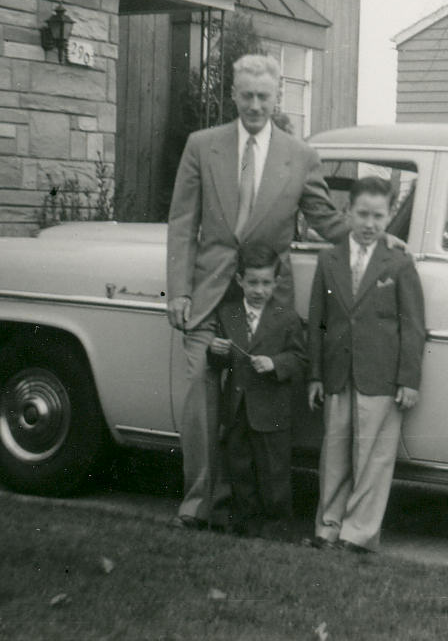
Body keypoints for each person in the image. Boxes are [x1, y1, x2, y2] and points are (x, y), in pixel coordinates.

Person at [166, 53, 347, 529]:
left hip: (267, 300)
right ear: (233, 95)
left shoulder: (300, 155)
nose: (254, 105)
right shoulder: (202, 146)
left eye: (263, 97)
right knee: (200, 401)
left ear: (277, 98)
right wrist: (179, 291)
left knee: (262, 403)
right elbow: (183, 223)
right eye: (245, 95)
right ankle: (200, 504)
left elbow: (325, 218)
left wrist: (373, 236)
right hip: (208, 295)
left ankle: (260, 511)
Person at [306, 175, 426, 554]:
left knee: (373, 459)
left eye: (378, 216)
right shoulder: (329, 259)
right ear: (347, 213)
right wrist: (315, 375)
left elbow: (413, 325)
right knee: (335, 454)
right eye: (362, 214)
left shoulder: (399, 262)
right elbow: (317, 321)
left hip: (381, 376)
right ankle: (328, 528)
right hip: (339, 373)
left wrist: (408, 379)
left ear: (390, 216)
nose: (370, 224)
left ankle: (357, 534)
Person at [207, 243, 307, 540]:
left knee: (274, 471)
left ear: (276, 283)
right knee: (240, 468)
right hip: (237, 408)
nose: (259, 290)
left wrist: (275, 363)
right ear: (239, 281)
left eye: (266, 283)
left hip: (272, 410)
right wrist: (216, 351)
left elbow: (301, 360)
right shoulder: (228, 314)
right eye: (252, 282)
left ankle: (276, 527)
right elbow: (219, 361)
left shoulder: (286, 317)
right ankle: (245, 524)